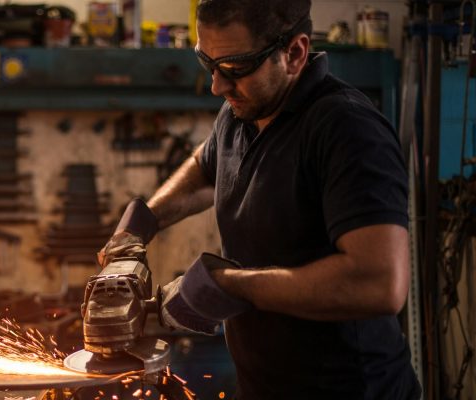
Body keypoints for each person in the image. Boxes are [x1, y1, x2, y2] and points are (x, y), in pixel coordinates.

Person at [97, 0, 422, 398]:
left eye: (235, 69)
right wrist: (144, 220)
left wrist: (228, 284)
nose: (217, 85)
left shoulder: (348, 130)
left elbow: (380, 284)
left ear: (295, 53)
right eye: (208, 63)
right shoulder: (241, 112)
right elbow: (204, 167)